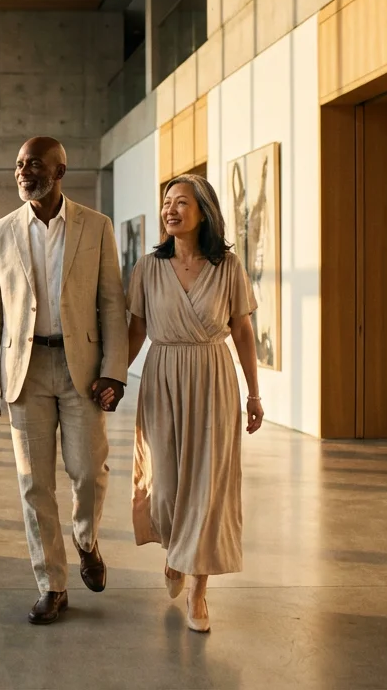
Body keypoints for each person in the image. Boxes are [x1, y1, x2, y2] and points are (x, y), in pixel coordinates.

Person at [0, 136, 129, 625]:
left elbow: (111, 304)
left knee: (89, 471)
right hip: (25, 371)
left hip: (81, 368)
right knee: (33, 483)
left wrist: (114, 371)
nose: (23, 172)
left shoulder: (96, 226)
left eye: (34, 164)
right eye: (18, 164)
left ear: (60, 171)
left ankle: (86, 539)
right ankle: (52, 584)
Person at [108, 173, 263, 633]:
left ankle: (198, 588)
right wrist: (114, 380)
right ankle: (176, 549)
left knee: (209, 485)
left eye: (180, 203)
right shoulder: (146, 267)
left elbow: (242, 331)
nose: (170, 210)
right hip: (162, 376)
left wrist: (254, 394)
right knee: (166, 482)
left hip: (214, 377)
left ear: (204, 212)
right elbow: (135, 330)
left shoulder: (227, 267)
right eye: (166, 203)